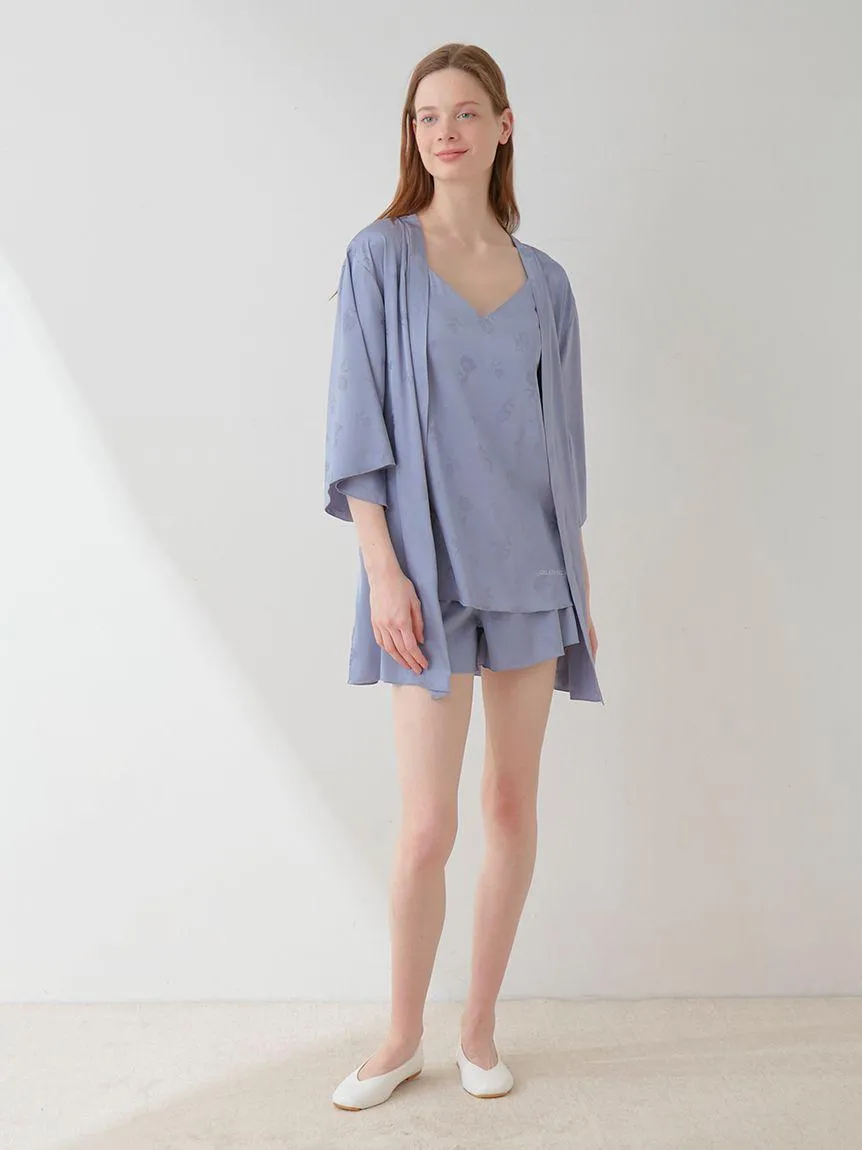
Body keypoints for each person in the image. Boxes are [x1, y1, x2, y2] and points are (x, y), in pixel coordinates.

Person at [325, 42, 602, 1111]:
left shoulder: (548, 284)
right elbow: (356, 421)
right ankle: (400, 1036)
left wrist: (578, 584)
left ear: (503, 127)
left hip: (531, 569)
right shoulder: (379, 258)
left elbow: (561, 450)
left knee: (510, 805)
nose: (444, 131)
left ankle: (478, 1029)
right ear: (413, 134)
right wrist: (381, 569)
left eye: (465, 112)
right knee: (426, 826)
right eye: (426, 116)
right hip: (426, 574)